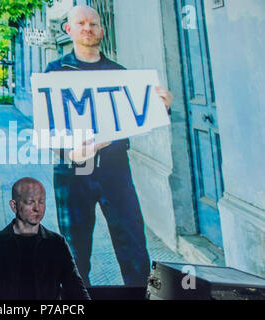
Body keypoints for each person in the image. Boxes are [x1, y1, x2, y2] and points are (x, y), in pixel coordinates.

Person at [44, 5, 173, 287]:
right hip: (73, 170)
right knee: (74, 251)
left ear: (102, 31)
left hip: (115, 168)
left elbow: (139, 116)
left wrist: (162, 107)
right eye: (81, 23)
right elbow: (49, 127)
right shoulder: (54, 73)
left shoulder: (120, 74)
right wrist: (70, 154)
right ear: (69, 29)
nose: (87, 28)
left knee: (134, 245)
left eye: (93, 24)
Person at [0, 177, 90, 300]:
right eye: (30, 202)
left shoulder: (56, 243)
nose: (37, 208)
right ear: (14, 206)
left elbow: (76, 289)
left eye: (41, 202)